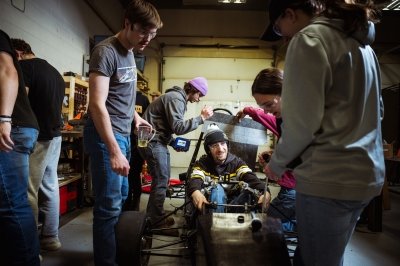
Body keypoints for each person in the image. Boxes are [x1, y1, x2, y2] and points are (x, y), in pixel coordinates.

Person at [263, 1, 386, 265]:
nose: (283, 35)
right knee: (321, 256)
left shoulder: (309, 39)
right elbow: (379, 111)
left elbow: (301, 122)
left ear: (290, 13)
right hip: (366, 176)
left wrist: (276, 164)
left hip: (329, 176)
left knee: (315, 260)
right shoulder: (363, 46)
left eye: (278, 26)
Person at [83, 0, 162, 264]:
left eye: (153, 34)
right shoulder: (105, 52)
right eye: (143, 32)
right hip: (106, 137)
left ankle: (116, 255)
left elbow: (120, 99)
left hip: (122, 133)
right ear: (127, 24)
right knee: (107, 207)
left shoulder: (130, 52)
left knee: (121, 198)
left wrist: (137, 117)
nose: (148, 40)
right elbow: (96, 104)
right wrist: (114, 151)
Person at [138, 77, 214, 229]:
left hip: (152, 140)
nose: (198, 99)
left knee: (163, 178)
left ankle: (155, 213)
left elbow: (162, 125)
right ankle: (155, 221)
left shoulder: (175, 97)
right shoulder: (176, 98)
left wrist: (172, 142)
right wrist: (202, 118)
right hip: (152, 141)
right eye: (199, 95)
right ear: (193, 90)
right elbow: (178, 127)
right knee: (160, 179)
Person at [11, 38, 65, 251]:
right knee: (50, 186)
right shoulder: (54, 72)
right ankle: (51, 238)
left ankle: (30, 247)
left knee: (29, 190)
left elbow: (20, 101)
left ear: (18, 52)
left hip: (37, 137)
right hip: (55, 135)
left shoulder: (23, 67)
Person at [236, 68, 296, 231]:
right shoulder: (281, 117)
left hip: (298, 189)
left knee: (267, 225)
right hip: (294, 189)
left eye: (268, 104)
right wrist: (246, 111)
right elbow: (263, 115)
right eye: (262, 106)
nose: (266, 110)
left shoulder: (300, 120)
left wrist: (276, 165)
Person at [0, 29, 40, 265]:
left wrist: (4, 119)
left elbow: (7, 72)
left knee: (10, 204)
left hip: (12, 127)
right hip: (22, 127)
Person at [188, 124, 269, 213]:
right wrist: (195, 192)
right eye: (215, 145)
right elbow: (195, 178)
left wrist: (265, 192)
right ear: (208, 150)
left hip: (235, 202)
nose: (220, 149)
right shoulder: (202, 164)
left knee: (248, 193)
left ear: (227, 145)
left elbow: (251, 177)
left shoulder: (237, 163)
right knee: (217, 189)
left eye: (223, 143)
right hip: (211, 203)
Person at [123, 85, 150, 211]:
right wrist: (143, 147)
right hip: (137, 142)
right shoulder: (144, 100)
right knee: (135, 174)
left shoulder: (125, 95)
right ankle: (134, 206)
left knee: (126, 174)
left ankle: (127, 204)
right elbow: (146, 122)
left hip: (123, 140)